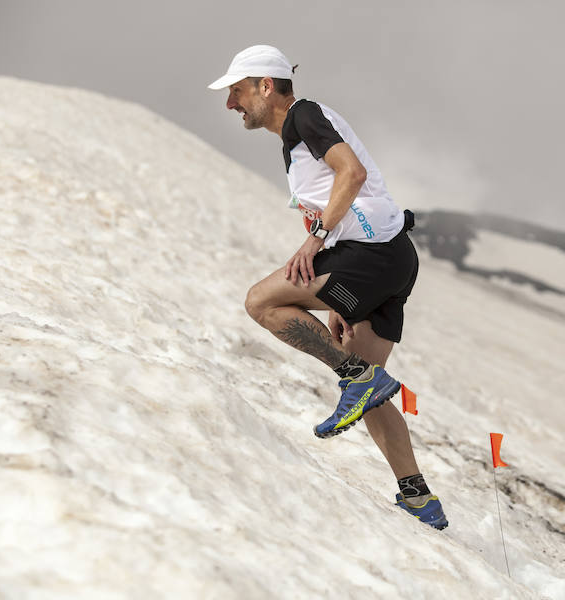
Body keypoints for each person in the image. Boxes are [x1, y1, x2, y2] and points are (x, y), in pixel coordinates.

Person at [207, 45, 447, 529]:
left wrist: (314, 242)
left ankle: (354, 375)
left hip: (372, 255)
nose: (230, 104)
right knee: (373, 394)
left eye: (236, 92)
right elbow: (345, 187)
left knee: (261, 301)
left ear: (265, 86)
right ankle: (418, 496)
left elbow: (352, 174)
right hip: (391, 257)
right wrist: (339, 296)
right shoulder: (299, 136)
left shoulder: (303, 116)